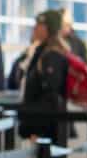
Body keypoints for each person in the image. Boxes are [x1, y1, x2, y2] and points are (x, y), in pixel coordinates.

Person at [19, 10, 73, 149]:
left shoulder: (52, 56)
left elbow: (51, 97)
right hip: (46, 128)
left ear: (49, 29)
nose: (35, 28)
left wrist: (36, 129)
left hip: (48, 131)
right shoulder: (41, 52)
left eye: (40, 24)